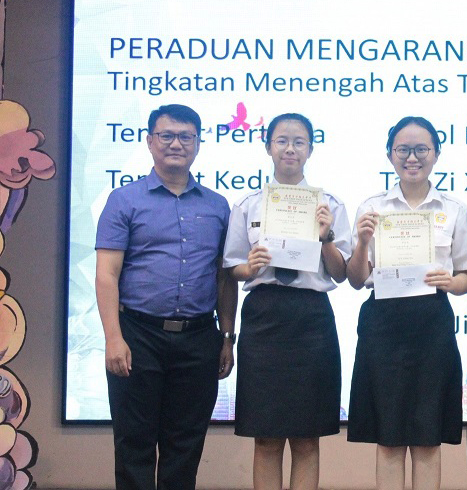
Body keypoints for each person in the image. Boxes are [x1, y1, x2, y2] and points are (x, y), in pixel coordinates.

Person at [96, 103, 236, 490]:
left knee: (185, 446)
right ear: (149, 141)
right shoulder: (124, 200)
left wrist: (227, 336)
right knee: (134, 443)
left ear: (198, 143)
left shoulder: (218, 205)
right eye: (167, 136)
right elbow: (107, 274)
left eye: (186, 137)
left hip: (199, 338)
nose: (176, 144)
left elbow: (225, 277)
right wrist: (113, 338)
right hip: (138, 335)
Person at [222, 113, 350, 490]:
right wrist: (250, 266)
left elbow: (341, 273)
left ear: (310, 149)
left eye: (299, 141)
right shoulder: (248, 205)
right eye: (282, 140)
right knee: (266, 437)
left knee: (307, 437)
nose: (290, 148)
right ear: (268, 147)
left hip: (311, 320)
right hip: (264, 318)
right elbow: (232, 267)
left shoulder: (330, 205)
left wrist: (325, 238)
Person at [347, 116, 467, 490]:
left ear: (436, 154)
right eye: (403, 149)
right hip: (383, 323)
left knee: (427, 436)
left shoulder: (456, 210)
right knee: (388, 437)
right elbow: (356, 279)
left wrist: (450, 282)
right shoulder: (372, 207)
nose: (412, 157)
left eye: (421, 149)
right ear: (390, 154)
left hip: (432, 323)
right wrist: (362, 243)